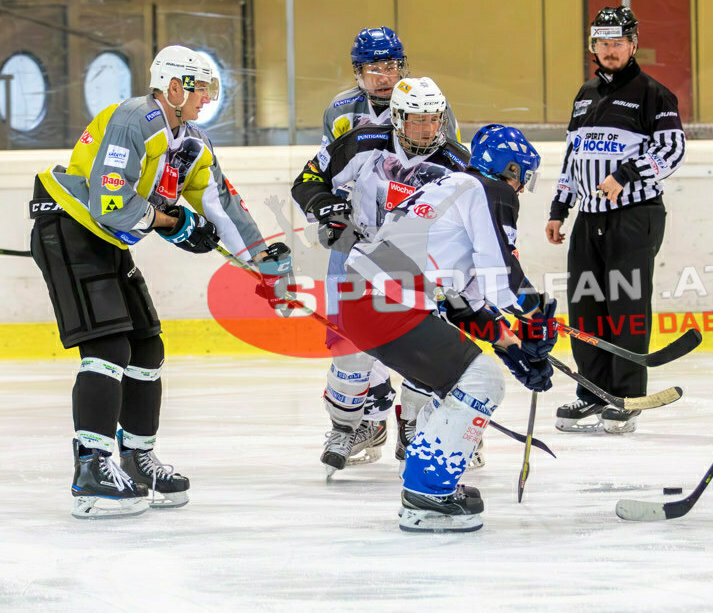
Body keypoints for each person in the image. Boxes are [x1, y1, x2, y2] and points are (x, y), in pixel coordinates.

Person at [30, 45, 292, 519]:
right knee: (108, 348)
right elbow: (110, 203)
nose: (207, 96)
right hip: (68, 229)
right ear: (173, 87)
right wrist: (173, 223)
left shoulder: (191, 140)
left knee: (146, 346)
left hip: (104, 239)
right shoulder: (136, 119)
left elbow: (221, 206)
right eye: (199, 87)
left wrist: (264, 265)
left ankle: (136, 458)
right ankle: (91, 467)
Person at [341, 124, 554, 532]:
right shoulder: (490, 191)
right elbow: (501, 278)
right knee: (482, 382)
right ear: (511, 169)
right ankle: (428, 492)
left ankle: (428, 483)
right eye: (523, 177)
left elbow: (466, 301)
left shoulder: (452, 188)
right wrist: (536, 317)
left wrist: (511, 347)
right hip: (386, 303)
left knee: (462, 379)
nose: (521, 189)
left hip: (366, 300)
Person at [293, 77, 471, 477]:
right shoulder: (361, 143)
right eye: (417, 120)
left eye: (433, 120)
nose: (427, 129)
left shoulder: (457, 162)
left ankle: (414, 429)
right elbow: (308, 181)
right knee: (350, 351)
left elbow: (478, 221)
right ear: (397, 118)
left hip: (417, 274)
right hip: (359, 262)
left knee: (425, 353)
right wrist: (325, 206)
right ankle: (345, 427)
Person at [544, 5, 686, 434]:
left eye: (618, 42)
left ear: (633, 45)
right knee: (585, 306)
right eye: (603, 43)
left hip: (633, 216)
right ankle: (592, 392)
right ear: (593, 46)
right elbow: (574, 157)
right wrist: (558, 208)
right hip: (588, 218)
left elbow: (672, 152)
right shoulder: (585, 93)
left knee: (625, 307)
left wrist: (626, 174)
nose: (610, 50)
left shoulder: (653, 93)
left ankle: (626, 396)